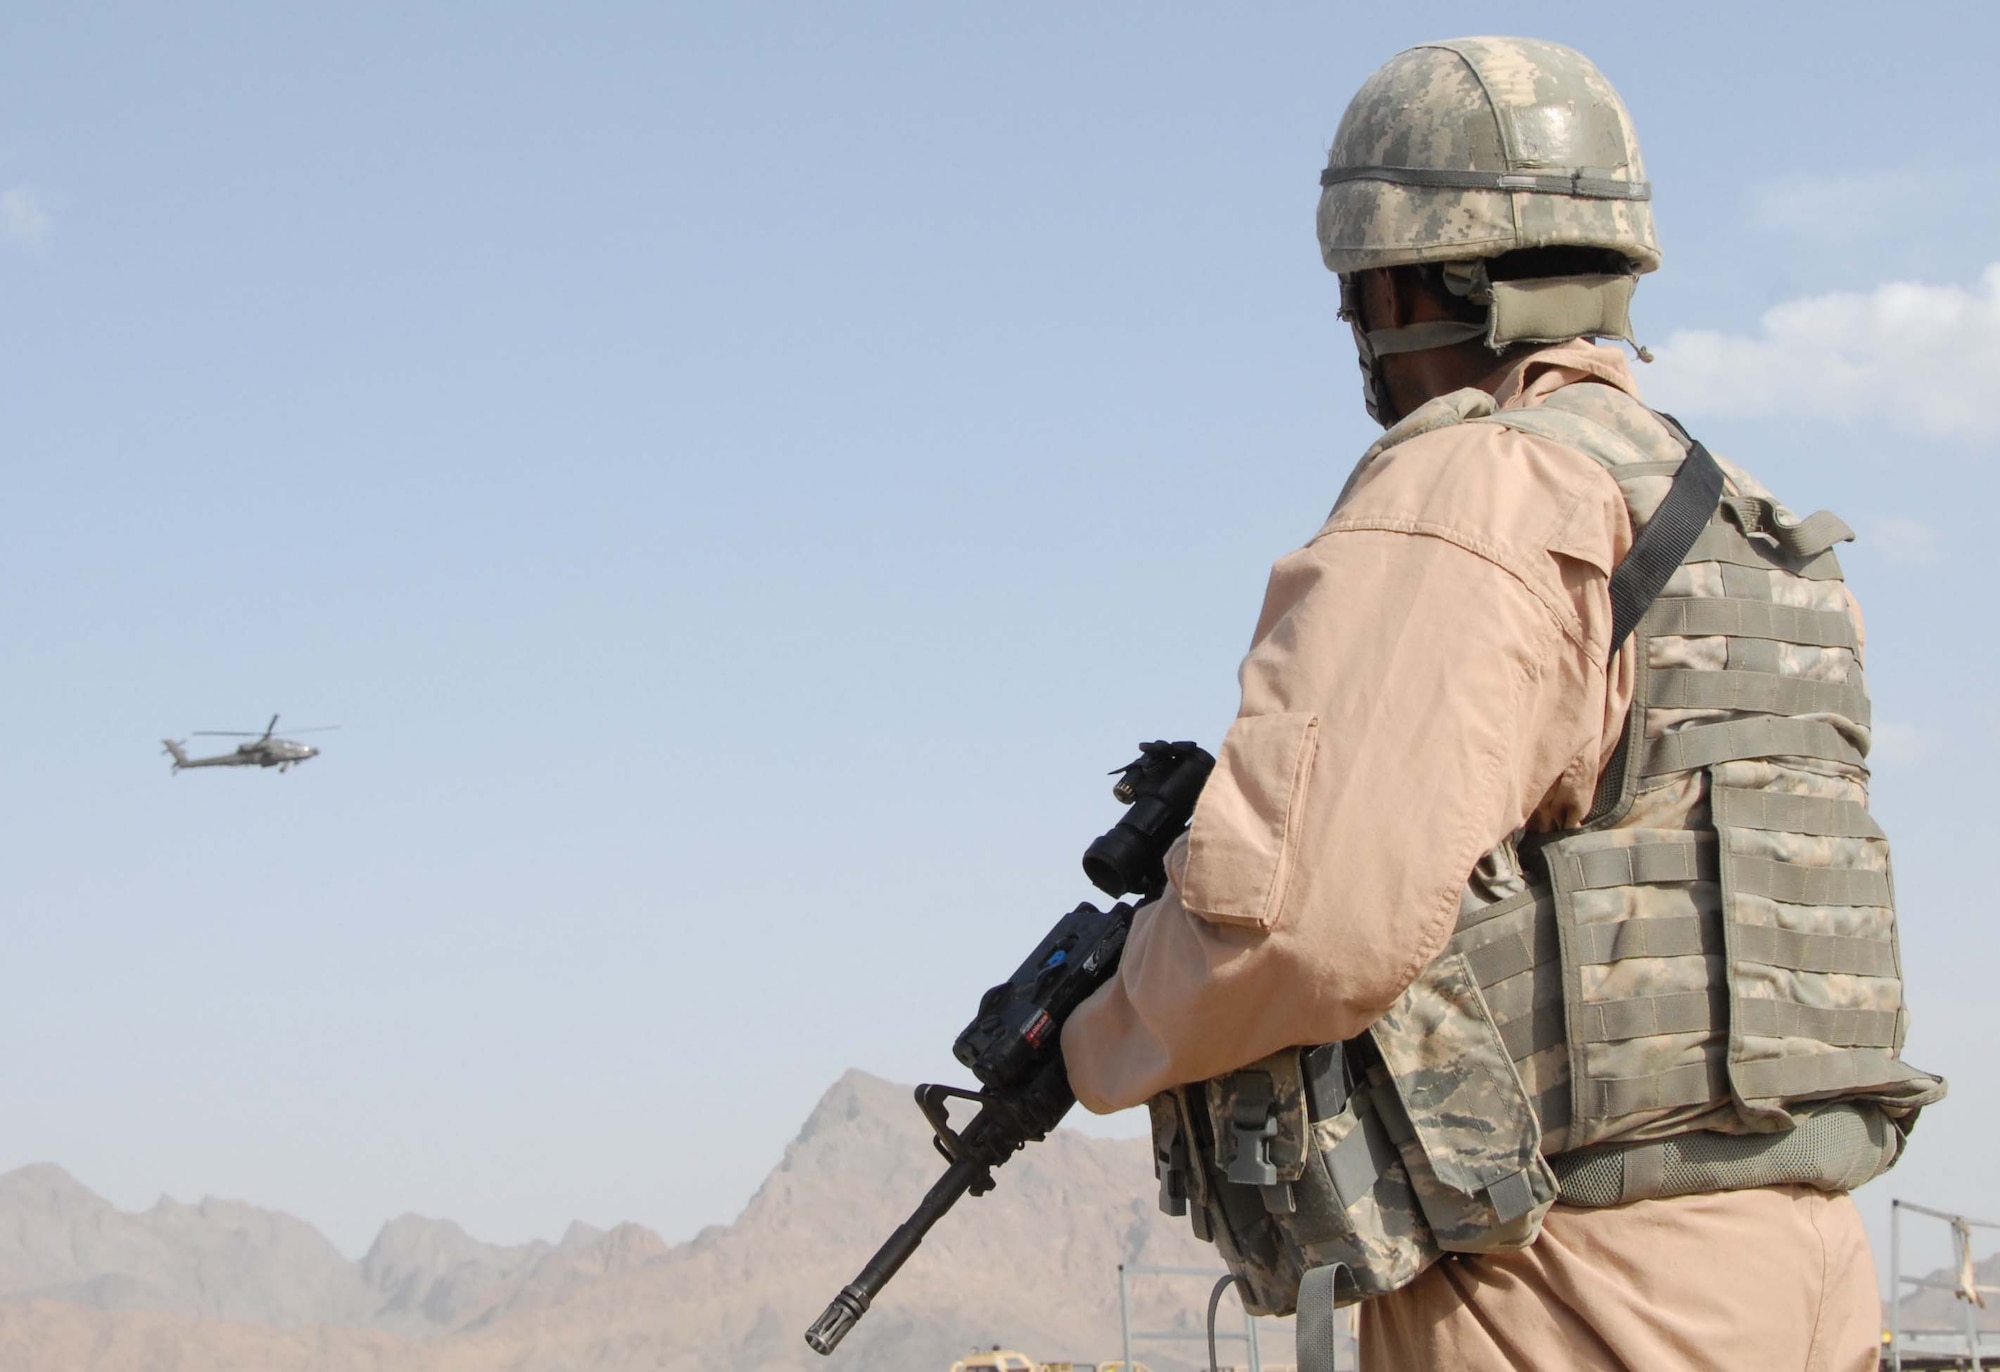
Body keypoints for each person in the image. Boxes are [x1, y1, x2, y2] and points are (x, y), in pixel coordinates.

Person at [1060, 36, 1941, 1371]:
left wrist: (1100, 1031)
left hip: (1579, 1289)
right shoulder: (1755, 534)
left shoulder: (1479, 491)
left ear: (1398, 281)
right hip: (1798, 1264)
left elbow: (1303, 920)